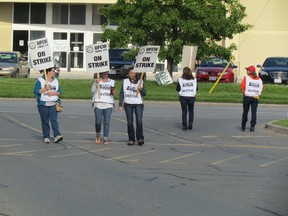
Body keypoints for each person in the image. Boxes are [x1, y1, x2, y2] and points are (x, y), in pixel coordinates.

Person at [34, 67, 63, 144]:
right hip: (43, 104)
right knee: (45, 121)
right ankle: (46, 136)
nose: (54, 72)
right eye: (53, 71)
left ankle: (57, 135)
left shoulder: (56, 81)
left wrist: (54, 93)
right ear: (47, 72)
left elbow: (60, 91)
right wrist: (45, 89)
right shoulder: (40, 80)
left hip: (53, 103)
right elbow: (36, 91)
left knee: (54, 120)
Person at [119, 67, 146, 146]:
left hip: (138, 103)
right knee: (130, 122)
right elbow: (122, 93)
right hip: (128, 104)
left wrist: (140, 89)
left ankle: (140, 138)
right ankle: (131, 139)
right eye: (130, 73)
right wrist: (120, 104)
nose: (131, 74)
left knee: (139, 121)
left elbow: (144, 94)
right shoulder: (125, 81)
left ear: (136, 74)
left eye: (133, 73)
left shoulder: (140, 81)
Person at [91, 71, 115, 145]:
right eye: (103, 73)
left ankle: (105, 137)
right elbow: (92, 91)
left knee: (106, 122)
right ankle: (98, 135)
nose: (105, 74)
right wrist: (96, 83)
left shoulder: (112, 82)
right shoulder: (97, 81)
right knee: (98, 121)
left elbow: (112, 92)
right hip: (98, 103)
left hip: (108, 103)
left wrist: (113, 92)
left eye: (106, 73)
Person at [240, 65, 263, 132]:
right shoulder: (259, 79)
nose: (247, 71)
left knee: (245, 112)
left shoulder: (246, 78)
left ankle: (243, 126)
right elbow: (262, 88)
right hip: (255, 98)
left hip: (247, 97)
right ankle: (252, 127)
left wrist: (244, 94)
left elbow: (242, 88)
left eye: (247, 70)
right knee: (254, 113)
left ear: (250, 71)